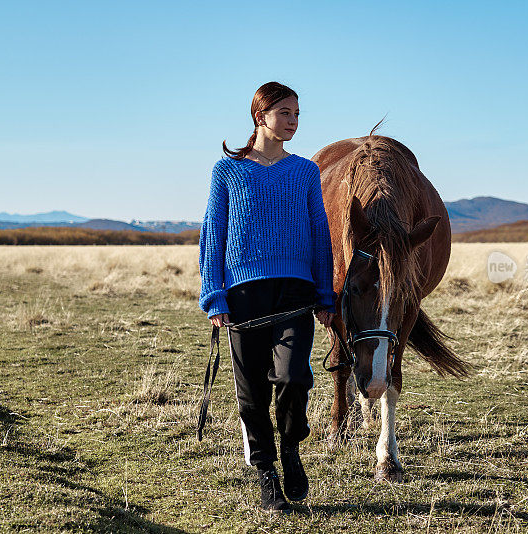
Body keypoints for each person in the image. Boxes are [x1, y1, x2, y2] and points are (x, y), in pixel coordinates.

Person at [198, 81, 336, 514]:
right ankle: (266, 474)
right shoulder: (228, 171)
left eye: (297, 114)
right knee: (251, 394)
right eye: (286, 113)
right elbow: (212, 234)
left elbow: (320, 234)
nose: (294, 121)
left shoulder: (305, 172)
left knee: (294, 377)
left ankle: (291, 447)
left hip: (295, 292)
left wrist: (326, 294)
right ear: (261, 116)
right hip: (242, 296)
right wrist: (214, 295)